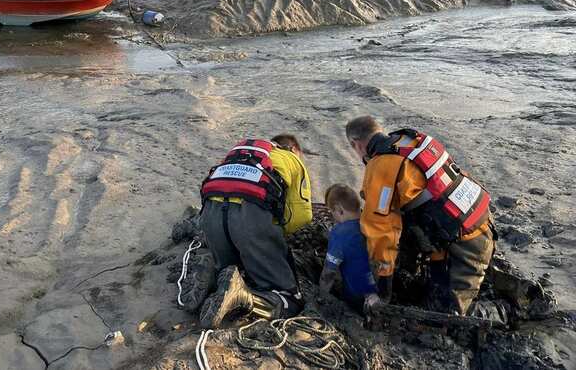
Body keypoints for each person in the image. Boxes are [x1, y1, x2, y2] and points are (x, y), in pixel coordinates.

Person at [345, 116, 494, 315]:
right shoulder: (414, 139)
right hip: (478, 219)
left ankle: (505, 313)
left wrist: (382, 291)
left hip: (466, 243)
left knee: (450, 317)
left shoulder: (381, 165)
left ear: (356, 144)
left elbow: (380, 231)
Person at [197, 134, 312, 328]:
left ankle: (210, 277)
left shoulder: (238, 153)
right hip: (249, 221)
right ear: (294, 150)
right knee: (289, 299)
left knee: (236, 269)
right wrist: (274, 234)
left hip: (209, 217)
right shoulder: (292, 159)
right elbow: (302, 217)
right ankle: (242, 296)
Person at [319, 184, 378, 313]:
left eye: (331, 212)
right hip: (378, 290)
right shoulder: (371, 223)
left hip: (355, 297)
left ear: (339, 210)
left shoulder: (340, 233)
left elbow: (329, 273)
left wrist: (320, 297)